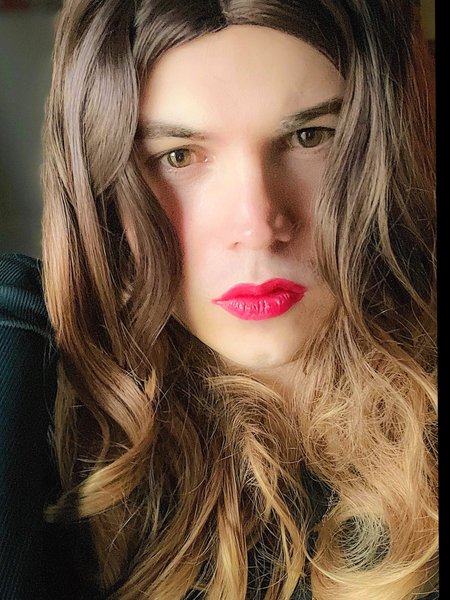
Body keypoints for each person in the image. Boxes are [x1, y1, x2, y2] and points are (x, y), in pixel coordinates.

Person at [0, 0, 437, 599]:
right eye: (178, 156)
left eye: (310, 137)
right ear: (101, 188)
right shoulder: (29, 368)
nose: (258, 225)